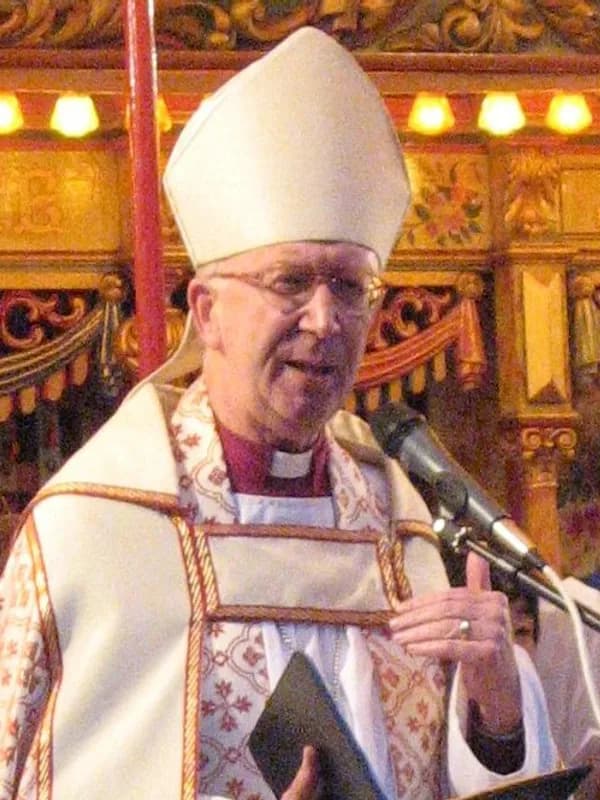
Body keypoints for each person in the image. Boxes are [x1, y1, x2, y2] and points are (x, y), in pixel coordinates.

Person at [0, 26, 558, 800]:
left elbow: (450, 771)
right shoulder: (95, 530)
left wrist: (497, 709)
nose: (325, 321)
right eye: (291, 282)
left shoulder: (398, 525)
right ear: (207, 311)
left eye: (349, 287)